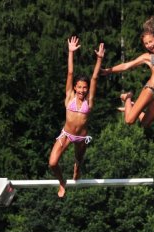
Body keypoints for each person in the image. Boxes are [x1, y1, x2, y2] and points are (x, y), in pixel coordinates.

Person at [102, 0, 154, 127]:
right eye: (146, 44)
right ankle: (128, 97)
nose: (149, 46)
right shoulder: (147, 57)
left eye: (150, 41)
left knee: (145, 123)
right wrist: (109, 70)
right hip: (151, 89)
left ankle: (135, 107)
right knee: (129, 120)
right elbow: (127, 65)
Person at [49, 36, 104, 198]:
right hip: (66, 135)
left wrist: (99, 59)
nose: (82, 90)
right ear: (74, 88)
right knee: (52, 163)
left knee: (78, 161)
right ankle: (62, 182)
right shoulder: (69, 97)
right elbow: (70, 72)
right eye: (79, 87)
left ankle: (77, 167)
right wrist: (71, 52)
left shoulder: (89, 101)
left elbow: (94, 78)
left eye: (84, 88)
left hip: (81, 138)